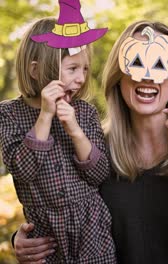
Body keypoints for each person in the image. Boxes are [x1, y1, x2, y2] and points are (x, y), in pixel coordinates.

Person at [12, 20, 168, 263]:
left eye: (160, 65)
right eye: (136, 63)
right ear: (119, 76)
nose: (148, 78)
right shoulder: (92, 149)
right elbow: (58, 205)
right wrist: (22, 240)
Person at [0, 16, 116, 263]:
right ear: (35, 70)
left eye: (84, 69)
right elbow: (22, 171)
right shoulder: (8, 114)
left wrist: (74, 130)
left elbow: (98, 174)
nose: (82, 78)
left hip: (92, 232)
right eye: (72, 68)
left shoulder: (85, 113)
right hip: (46, 236)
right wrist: (45, 115)